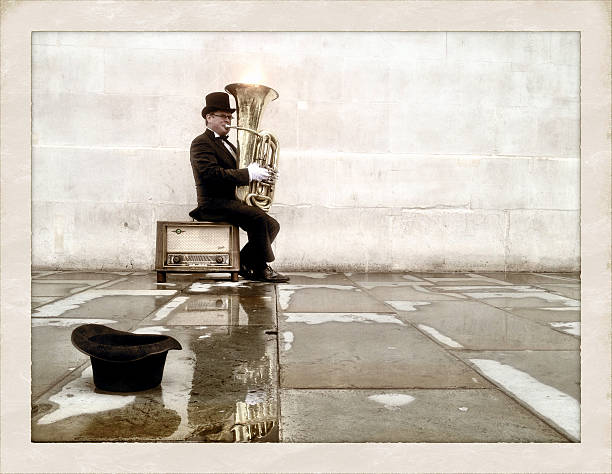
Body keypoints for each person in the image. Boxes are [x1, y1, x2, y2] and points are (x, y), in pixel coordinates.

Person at [188, 91, 290, 283]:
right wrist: (248, 173)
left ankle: (243, 263)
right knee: (258, 219)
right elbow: (211, 174)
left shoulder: (232, 147)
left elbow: (238, 174)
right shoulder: (201, 142)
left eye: (230, 117)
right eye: (223, 116)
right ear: (209, 117)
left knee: (272, 225)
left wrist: (262, 175)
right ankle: (260, 268)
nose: (228, 120)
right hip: (212, 203)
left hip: (230, 202)